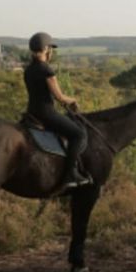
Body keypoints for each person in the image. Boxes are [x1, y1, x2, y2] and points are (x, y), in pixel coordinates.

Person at [24, 31, 90, 190]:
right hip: (46, 113)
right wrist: (73, 100)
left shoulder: (28, 69)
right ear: (46, 49)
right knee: (78, 135)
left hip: (31, 112)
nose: (51, 52)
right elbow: (59, 97)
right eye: (50, 48)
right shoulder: (47, 70)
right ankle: (70, 174)